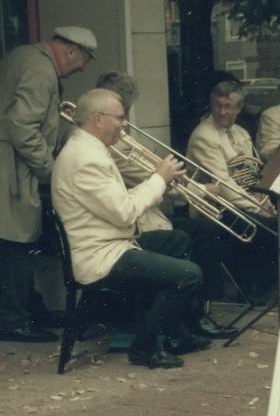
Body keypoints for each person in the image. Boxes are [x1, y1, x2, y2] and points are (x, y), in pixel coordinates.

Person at [52, 89, 208, 369]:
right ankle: (145, 347)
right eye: (120, 118)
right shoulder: (85, 157)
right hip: (102, 257)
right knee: (189, 276)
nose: (125, 124)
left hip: (113, 243)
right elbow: (124, 213)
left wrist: (159, 183)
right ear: (98, 120)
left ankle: (174, 330)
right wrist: (158, 179)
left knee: (178, 240)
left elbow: (116, 205)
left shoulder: (89, 148)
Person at [0, 25, 96, 343]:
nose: (82, 67)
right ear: (70, 50)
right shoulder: (41, 69)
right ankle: (15, 321)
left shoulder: (25, 56)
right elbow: (23, 128)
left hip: (1, 160)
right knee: (17, 243)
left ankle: (29, 309)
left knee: (15, 241)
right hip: (11, 165)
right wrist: (49, 171)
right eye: (83, 59)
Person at [92, 71, 236, 337]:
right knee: (186, 237)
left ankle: (199, 311)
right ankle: (189, 317)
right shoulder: (107, 145)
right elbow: (151, 176)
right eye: (122, 114)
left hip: (143, 215)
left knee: (206, 231)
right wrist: (200, 189)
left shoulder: (118, 138)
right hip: (132, 226)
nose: (125, 121)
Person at [188, 78, 279, 298]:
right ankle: (257, 290)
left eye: (228, 106)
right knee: (266, 227)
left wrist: (264, 199)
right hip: (215, 207)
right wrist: (258, 207)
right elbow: (225, 186)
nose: (222, 111)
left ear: (239, 108)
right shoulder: (204, 136)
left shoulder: (241, 132)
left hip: (244, 200)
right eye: (217, 105)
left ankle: (270, 285)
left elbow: (254, 172)